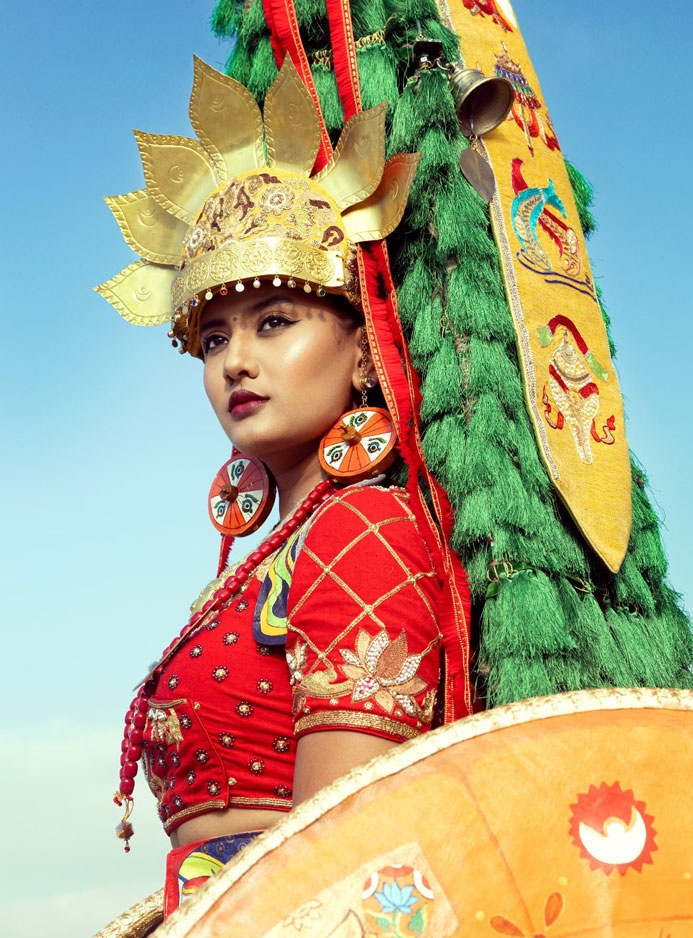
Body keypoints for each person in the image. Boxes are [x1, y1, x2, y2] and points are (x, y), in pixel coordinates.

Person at [97, 56, 473, 919]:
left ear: (364, 348)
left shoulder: (361, 528)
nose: (236, 361)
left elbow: (343, 858)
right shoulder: (278, 550)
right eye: (214, 338)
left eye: (274, 322)